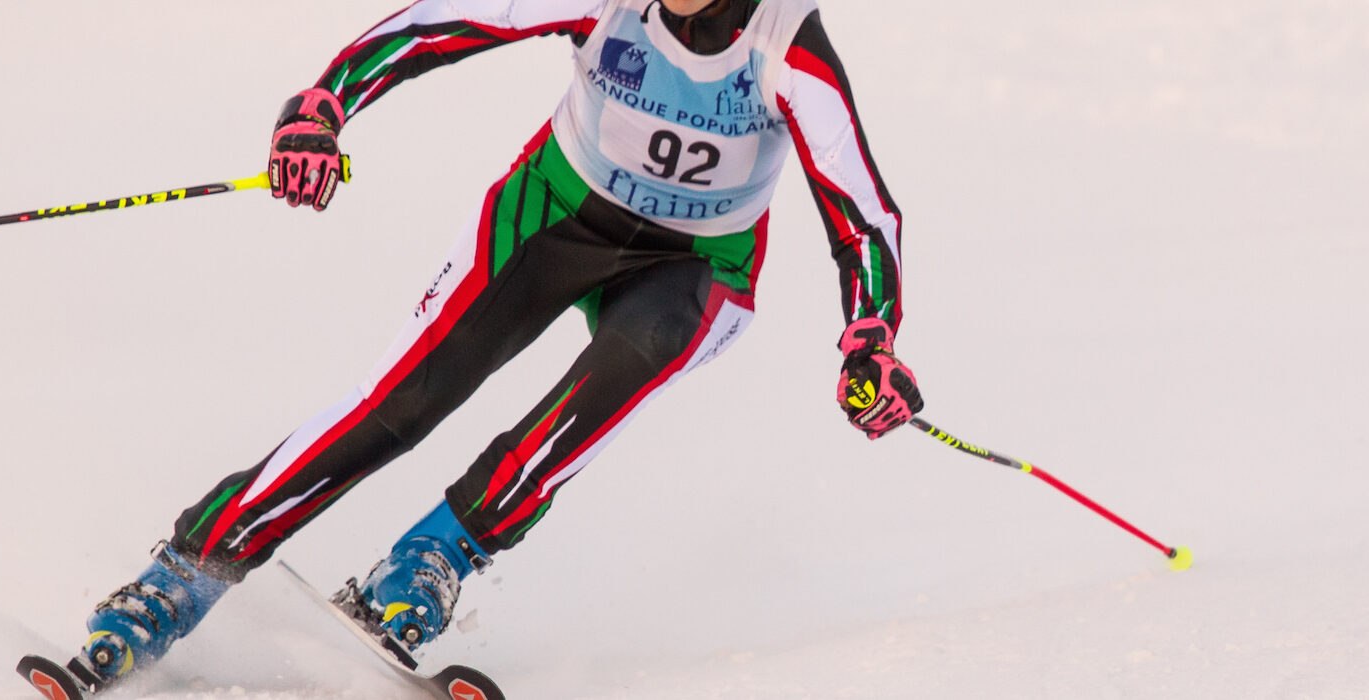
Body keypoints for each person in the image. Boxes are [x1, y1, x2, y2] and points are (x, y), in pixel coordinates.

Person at [66, 0, 922, 685]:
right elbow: (435, 24)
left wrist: (871, 339)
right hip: (554, 213)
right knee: (401, 401)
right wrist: (325, 106)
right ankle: (184, 574)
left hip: (697, 264)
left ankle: (436, 555)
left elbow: (862, 213)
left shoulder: (788, 43)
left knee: (625, 368)